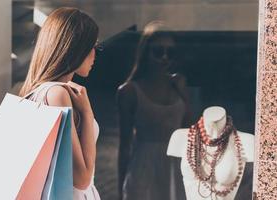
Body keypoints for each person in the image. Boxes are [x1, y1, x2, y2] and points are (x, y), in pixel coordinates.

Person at [19, 7, 101, 200]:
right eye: (92, 45)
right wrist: (87, 114)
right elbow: (82, 179)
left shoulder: (36, 91)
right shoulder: (57, 94)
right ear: (76, 47)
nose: (95, 54)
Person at [117, 21, 191, 200]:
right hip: (144, 166)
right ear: (145, 52)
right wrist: (120, 190)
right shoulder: (129, 91)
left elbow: (190, 129)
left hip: (176, 166)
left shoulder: (179, 85)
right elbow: (124, 144)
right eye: (158, 51)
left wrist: (183, 93)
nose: (164, 57)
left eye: (170, 53)